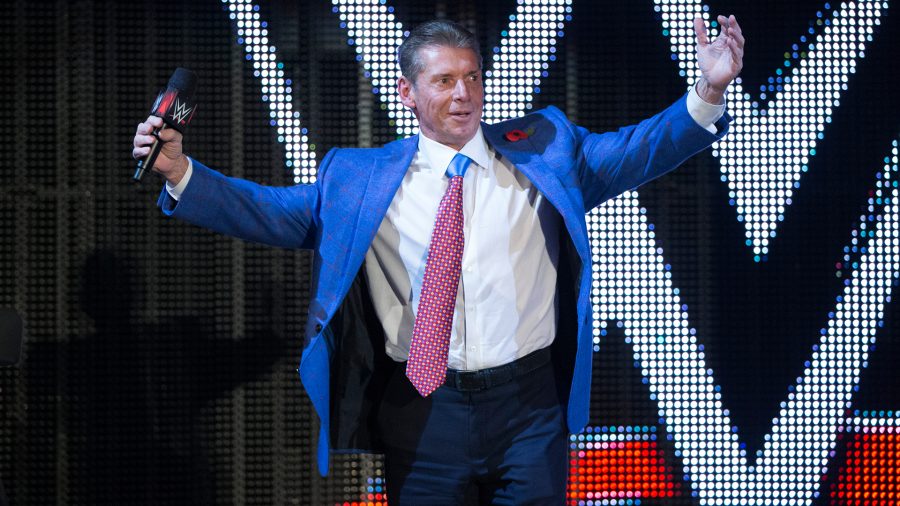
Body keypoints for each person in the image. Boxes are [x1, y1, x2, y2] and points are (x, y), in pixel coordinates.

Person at [133, 15, 743, 505]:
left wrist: (708, 91)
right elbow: (269, 211)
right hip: (422, 411)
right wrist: (180, 171)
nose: (463, 94)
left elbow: (638, 150)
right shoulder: (359, 177)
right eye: (445, 80)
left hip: (529, 408)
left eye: (472, 77)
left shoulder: (544, 150)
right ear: (408, 92)